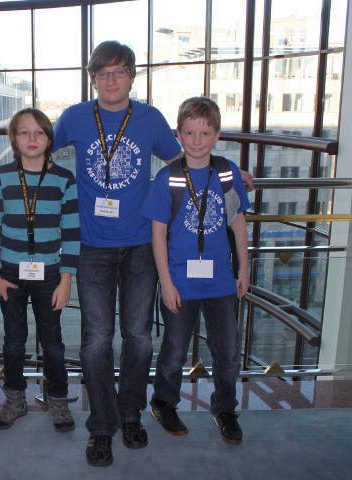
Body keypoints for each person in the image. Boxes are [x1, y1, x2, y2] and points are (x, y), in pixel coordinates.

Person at [52, 40, 183, 467]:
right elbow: (36, 153)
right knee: (95, 340)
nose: (111, 80)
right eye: (103, 73)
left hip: (142, 244)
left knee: (139, 337)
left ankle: (130, 415)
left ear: (131, 76)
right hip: (91, 245)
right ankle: (101, 426)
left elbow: (183, 161)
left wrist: (229, 174)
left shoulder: (150, 118)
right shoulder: (74, 117)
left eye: (119, 72)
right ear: (93, 79)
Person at [142, 96, 250, 445]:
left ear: (217, 135)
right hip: (180, 283)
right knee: (173, 351)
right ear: (178, 135)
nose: (197, 140)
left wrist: (244, 269)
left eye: (205, 133)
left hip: (221, 282)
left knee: (227, 353)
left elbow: (238, 223)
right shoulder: (168, 178)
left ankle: (225, 409)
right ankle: (164, 403)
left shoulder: (227, 173)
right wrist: (166, 282)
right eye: (189, 133)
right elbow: (158, 233)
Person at [0, 107, 80, 434]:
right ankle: (15, 399)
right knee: (13, 340)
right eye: (24, 132)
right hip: (9, 272)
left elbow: (72, 233)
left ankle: (57, 398)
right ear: (14, 139)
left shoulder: (64, 179)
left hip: (50, 273)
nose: (32, 138)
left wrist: (66, 279)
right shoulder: (2, 176)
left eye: (39, 132)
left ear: (49, 138)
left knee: (53, 342)